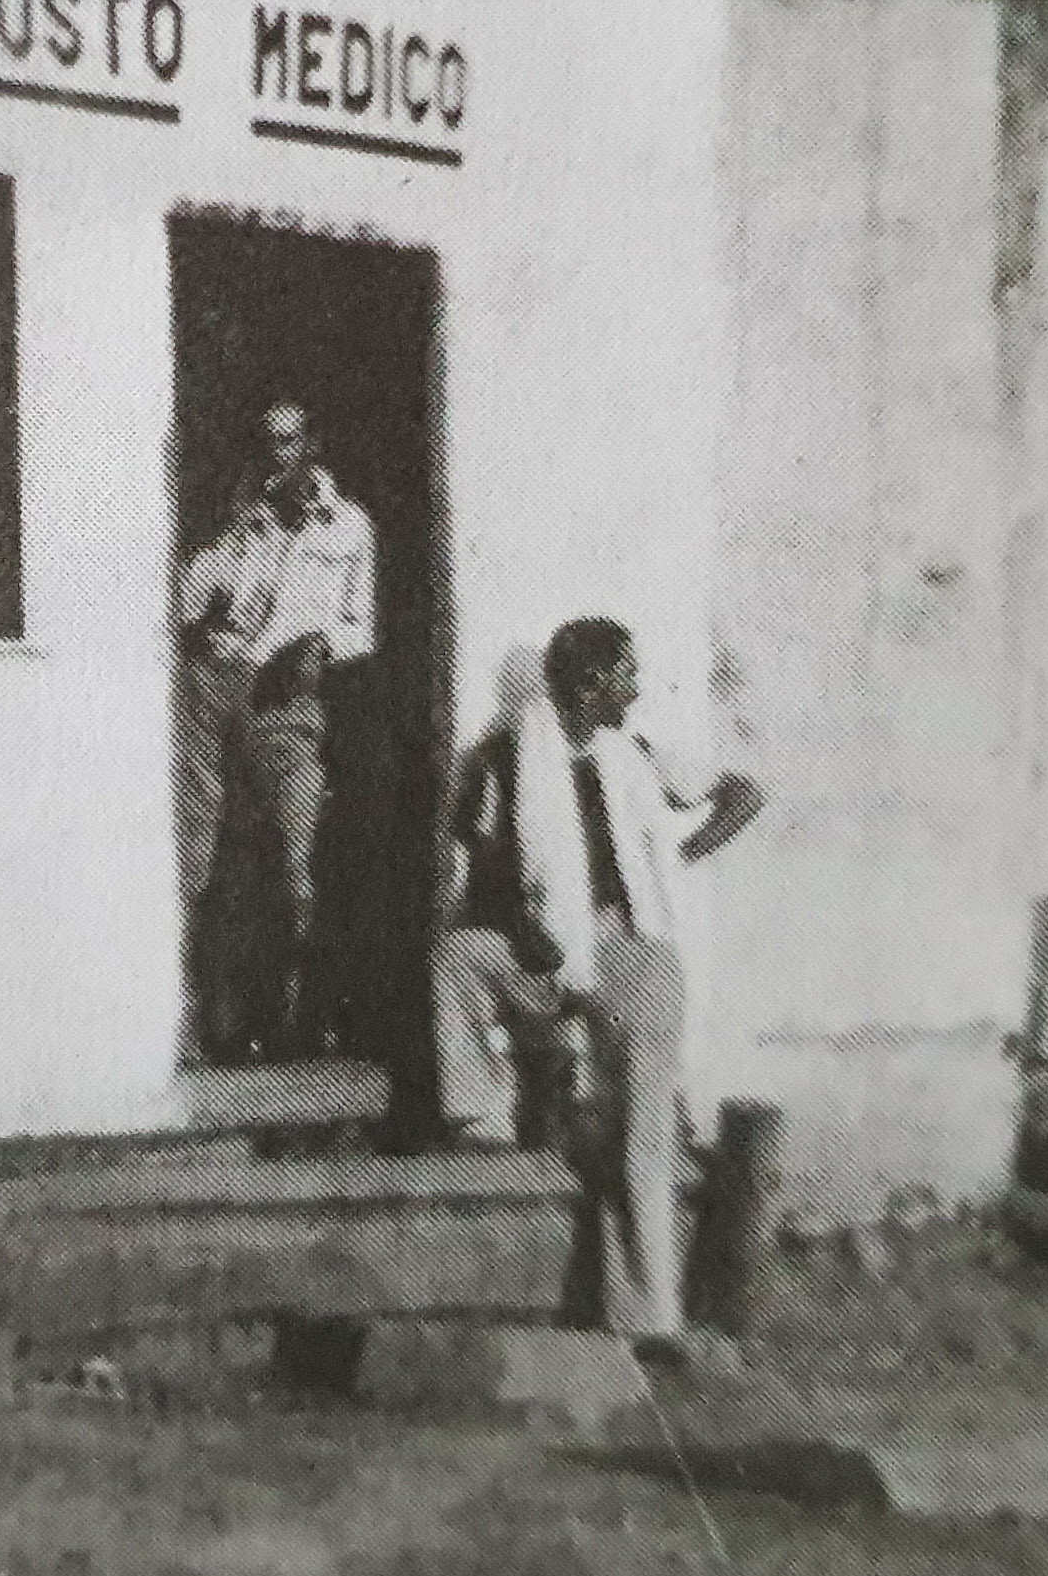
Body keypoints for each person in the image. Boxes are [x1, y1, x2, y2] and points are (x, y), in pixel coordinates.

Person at [433, 617, 764, 1344]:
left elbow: (743, 794)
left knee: (642, 1130)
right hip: (551, 950)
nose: (636, 689)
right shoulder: (504, 758)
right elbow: (475, 853)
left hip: (633, 947)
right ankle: (481, 1119)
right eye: (626, 674)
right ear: (590, 685)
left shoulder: (635, 752)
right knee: (458, 957)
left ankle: (651, 1318)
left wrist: (681, 857)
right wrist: (528, 927)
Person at [175, 401, 376, 1061]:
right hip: (218, 687)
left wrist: (322, 645)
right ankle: (208, 1024)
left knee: (299, 863)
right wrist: (230, 532)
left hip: (289, 699)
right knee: (206, 857)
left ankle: (298, 1022)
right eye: (266, 444)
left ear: (312, 445)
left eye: (288, 442)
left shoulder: (349, 526)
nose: (276, 456)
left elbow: (361, 626)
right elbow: (190, 605)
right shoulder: (244, 517)